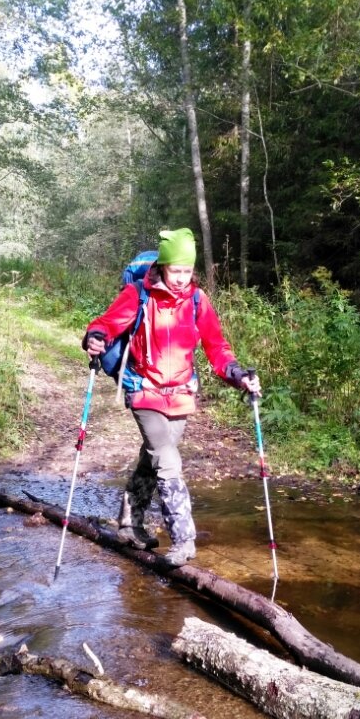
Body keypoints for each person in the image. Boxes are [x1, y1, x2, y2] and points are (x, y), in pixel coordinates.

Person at [83, 228, 261, 567]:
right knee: (167, 460)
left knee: (153, 460)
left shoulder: (197, 301)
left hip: (180, 395)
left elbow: (217, 348)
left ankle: (128, 524)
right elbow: (108, 324)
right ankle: (183, 540)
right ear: (162, 267)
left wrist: (238, 375)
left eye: (186, 271)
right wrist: (96, 337)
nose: (181, 278)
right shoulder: (138, 294)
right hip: (143, 390)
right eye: (175, 270)